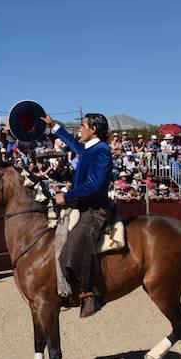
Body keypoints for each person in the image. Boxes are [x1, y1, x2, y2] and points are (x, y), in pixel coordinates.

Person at [43, 113, 113, 318]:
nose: (79, 129)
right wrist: (54, 125)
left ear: (94, 129)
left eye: (83, 126)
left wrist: (67, 196)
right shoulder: (91, 148)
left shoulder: (102, 151)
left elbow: (94, 185)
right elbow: (74, 144)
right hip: (83, 205)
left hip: (95, 210)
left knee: (71, 247)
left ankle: (89, 294)